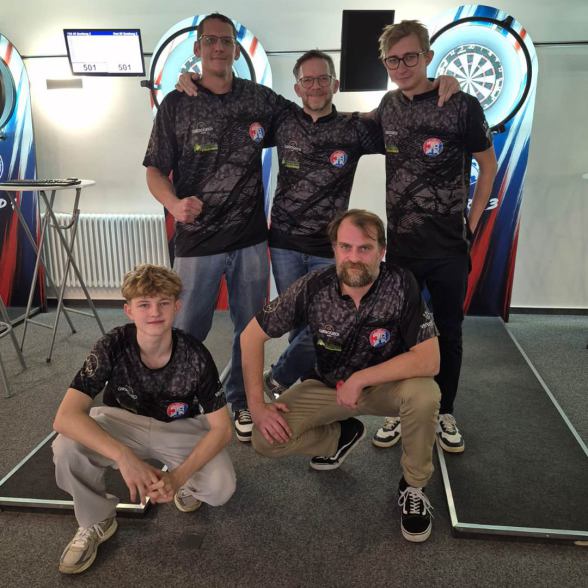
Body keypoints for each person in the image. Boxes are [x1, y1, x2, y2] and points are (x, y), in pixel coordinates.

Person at [176, 49, 459, 402]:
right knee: (298, 326)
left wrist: (437, 85)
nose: (315, 86)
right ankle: (308, 395)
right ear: (297, 88)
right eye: (307, 80)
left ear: (335, 84)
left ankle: (279, 380)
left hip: (331, 249)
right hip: (284, 245)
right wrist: (195, 80)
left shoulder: (356, 128)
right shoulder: (282, 120)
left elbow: (403, 120)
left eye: (322, 79)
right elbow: (233, 104)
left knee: (325, 327)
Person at [240, 209, 441, 543]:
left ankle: (414, 486)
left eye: (365, 248)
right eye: (345, 247)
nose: (354, 257)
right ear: (334, 249)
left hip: (386, 387)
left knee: (425, 394)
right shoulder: (313, 286)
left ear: (382, 251)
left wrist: (361, 379)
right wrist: (256, 406)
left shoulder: (401, 283)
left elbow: (430, 359)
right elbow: (251, 336)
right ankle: (341, 435)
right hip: (327, 386)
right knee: (265, 439)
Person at [143, 13, 289, 443]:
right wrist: (173, 204)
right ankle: (184, 402)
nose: (219, 48)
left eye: (226, 41)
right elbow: (154, 170)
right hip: (197, 242)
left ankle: (240, 400)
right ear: (198, 48)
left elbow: (310, 117)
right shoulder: (177, 103)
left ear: (236, 50)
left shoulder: (258, 99)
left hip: (249, 239)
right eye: (210, 40)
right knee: (188, 330)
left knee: (251, 328)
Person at [52, 264, 235, 574]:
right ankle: (96, 519)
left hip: (179, 427)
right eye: (144, 304)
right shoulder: (112, 345)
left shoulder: (195, 355)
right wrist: (123, 457)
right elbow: (65, 417)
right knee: (66, 446)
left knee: (221, 487)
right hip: (123, 421)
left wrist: (178, 477)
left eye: (164, 303)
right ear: (129, 310)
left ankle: (187, 485)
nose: (155, 312)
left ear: (177, 307)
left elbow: (222, 429)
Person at [372, 20, 498, 453]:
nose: (402, 66)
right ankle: (397, 408)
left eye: (410, 56)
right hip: (402, 248)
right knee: (398, 330)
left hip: (448, 247)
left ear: (427, 56)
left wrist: (472, 224)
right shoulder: (387, 106)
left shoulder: (461, 104)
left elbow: (488, 166)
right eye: (393, 60)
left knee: (449, 331)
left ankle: (445, 410)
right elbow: (346, 126)